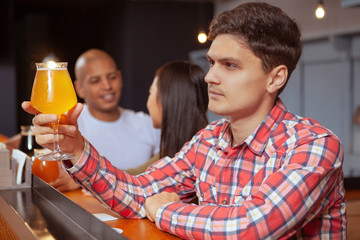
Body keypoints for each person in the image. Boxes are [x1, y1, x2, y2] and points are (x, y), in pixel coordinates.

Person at [23, 2, 346, 239]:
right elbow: (137, 193)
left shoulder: (314, 145)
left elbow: (249, 228)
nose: (210, 77)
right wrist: (77, 149)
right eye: (211, 63)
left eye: (230, 66)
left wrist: (163, 209)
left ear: (275, 78)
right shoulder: (208, 140)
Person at [51, 49, 161, 191]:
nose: (107, 86)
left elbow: (162, 174)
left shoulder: (148, 123)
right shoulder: (69, 122)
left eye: (112, 77)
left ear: (120, 78)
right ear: (79, 88)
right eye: (95, 81)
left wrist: (86, 179)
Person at [126, 60, 208, 175]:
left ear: (167, 100)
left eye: (150, 92)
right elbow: (134, 175)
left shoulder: (197, 154)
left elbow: (134, 180)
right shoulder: (174, 149)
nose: (148, 103)